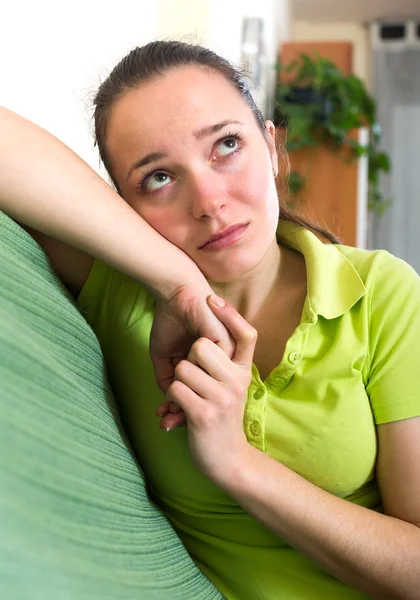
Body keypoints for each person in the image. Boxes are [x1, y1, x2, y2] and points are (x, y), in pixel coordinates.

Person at [1, 40, 419, 600]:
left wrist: (235, 463)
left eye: (226, 145)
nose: (209, 201)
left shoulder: (384, 293)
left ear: (271, 147)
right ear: (122, 204)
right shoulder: (118, 290)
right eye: (158, 178)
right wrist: (179, 284)